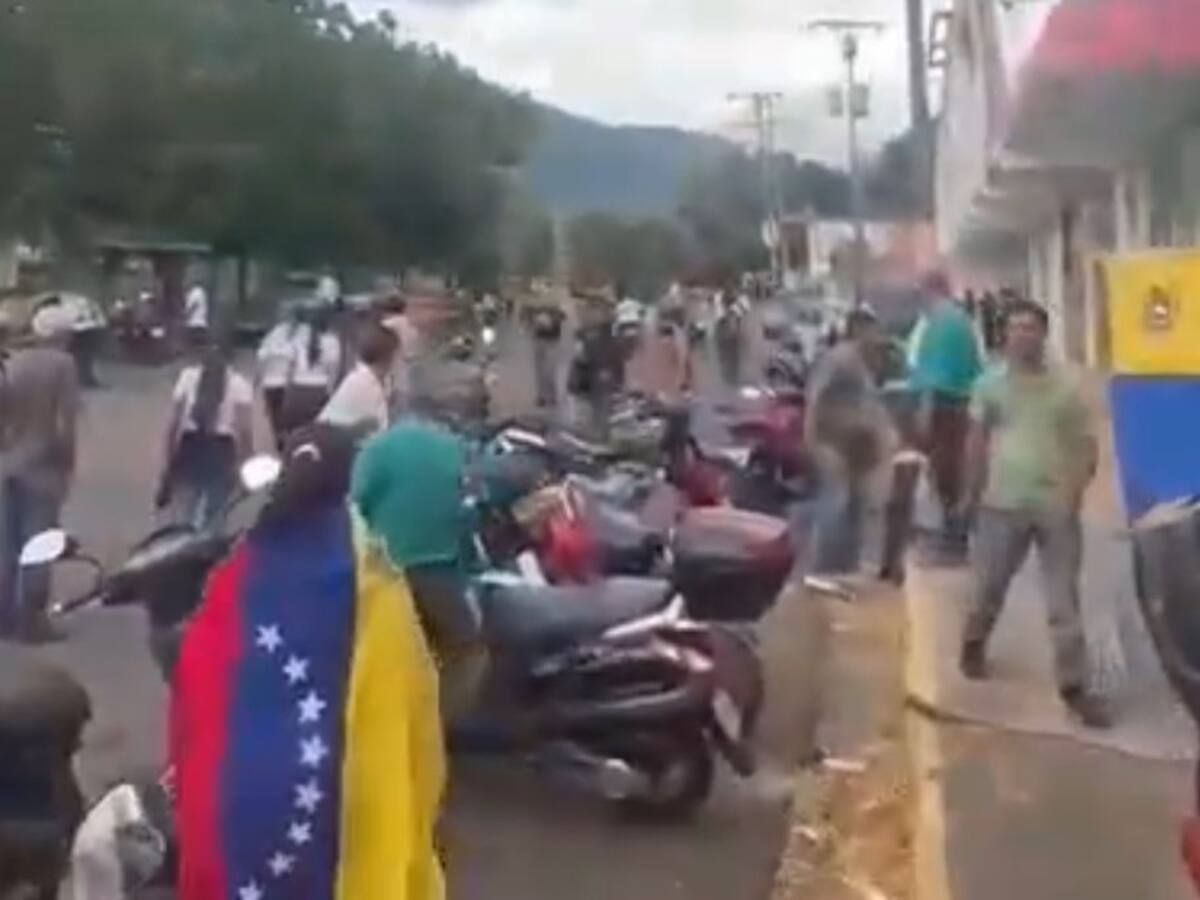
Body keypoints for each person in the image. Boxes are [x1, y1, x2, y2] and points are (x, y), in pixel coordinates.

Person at [171, 424, 445, 900]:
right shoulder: (374, 581)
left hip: (233, 798)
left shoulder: (236, 574)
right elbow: (414, 706)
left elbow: (190, 692)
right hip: (338, 801)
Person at [959, 299, 1109, 729]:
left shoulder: (1065, 388)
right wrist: (972, 494)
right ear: (1004, 335)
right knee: (989, 587)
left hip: (1055, 508)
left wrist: (1075, 489)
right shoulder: (989, 385)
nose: (1023, 335)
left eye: (1032, 327)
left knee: (1063, 602)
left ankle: (1075, 687)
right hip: (1001, 504)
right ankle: (973, 642)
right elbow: (976, 441)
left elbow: (1086, 444)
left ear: (1045, 334)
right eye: (1016, 327)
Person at [351, 420, 485, 726]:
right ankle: (439, 727)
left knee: (381, 653)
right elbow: (467, 510)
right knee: (466, 650)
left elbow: (356, 505)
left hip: (383, 571)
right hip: (438, 566)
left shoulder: (377, 449)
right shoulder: (454, 448)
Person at [0, 305, 80, 641]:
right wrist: (68, 461)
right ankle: (32, 621)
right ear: (62, 334)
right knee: (38, 544)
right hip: (43, 468)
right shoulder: (63, 365)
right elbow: (64, 423)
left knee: (7, 544)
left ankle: (4, 618)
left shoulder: (14, 362)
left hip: (8, 464)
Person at [804, 308, 893, 576]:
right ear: (858, 330)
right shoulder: (840, 359)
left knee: (852, 510)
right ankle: (825, 572)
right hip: (834, 448)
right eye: (873, 330)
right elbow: (814, 399)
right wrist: (814, 444)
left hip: (854, 451)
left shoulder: (861, 361)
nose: (877, 337)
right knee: (836, 509)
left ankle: (844, 569)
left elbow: (867, 404)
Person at [907, 271, 986, 562]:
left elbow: (934, 377)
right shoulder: (960, 320)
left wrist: (924, 414)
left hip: (945, 406)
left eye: (921, 292)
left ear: (932, 290)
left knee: (946, 473)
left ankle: (954, 540)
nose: (919, 300)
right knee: (954, 472)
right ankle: (955, 535)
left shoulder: (941, 323)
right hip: (960, 405)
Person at [157, 330, 254, 530]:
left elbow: (173, 423)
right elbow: (244, 431)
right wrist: (246, 464)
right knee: (215, 515)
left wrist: (168, 463)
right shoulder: (240, 384)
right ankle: (208, 556)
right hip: (222, 449)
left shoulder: (187, 377)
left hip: (190, 445)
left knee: (184, 514)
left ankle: (181, 554)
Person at [319, 321, 398, 438]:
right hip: (335, 446)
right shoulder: (364, 383)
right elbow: (378, 431)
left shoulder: (377, 380)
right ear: (388, 356)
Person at [278, 307, 342, 441]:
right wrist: (329, 395)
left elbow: (289, 367)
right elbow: (333, 373)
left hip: (297, 390)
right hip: (318, 391)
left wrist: (287, 394)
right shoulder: (333, 342)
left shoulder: (298, 339)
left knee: (294, 435)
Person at [568, 301, 623, 440]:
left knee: (595, 418)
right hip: (591, 380)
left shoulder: (594, 335)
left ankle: (596, 440)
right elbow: (581, 359)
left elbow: (581, 358)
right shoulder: (590, 335)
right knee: (595, 418)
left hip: (594, 380)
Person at [256, 307, 302, 451]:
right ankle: (286, 440)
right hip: (286, 383)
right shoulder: (292, 339)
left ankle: (280, 441)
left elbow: (261, 360)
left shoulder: (269, 339)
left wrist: (258, 380)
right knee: (285, 416)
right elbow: (294, 361)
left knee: (275, 416)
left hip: (269, 383)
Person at [381, 294, 420, 416]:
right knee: (401, 415)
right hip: (403, 380)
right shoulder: (412, 330)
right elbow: (412, 355)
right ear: (404, 309)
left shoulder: (383, 326)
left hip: (385, 378)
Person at [527, 301, 565, 409]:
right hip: (539, 342)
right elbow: (529, 326)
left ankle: (552, 396)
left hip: (551, 343)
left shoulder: (556, 311)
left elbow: (560, 321)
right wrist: (535, 325)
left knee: (549, 370)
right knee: (539, 371)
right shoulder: (535, 310)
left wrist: (550, 322)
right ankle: (541, 396)